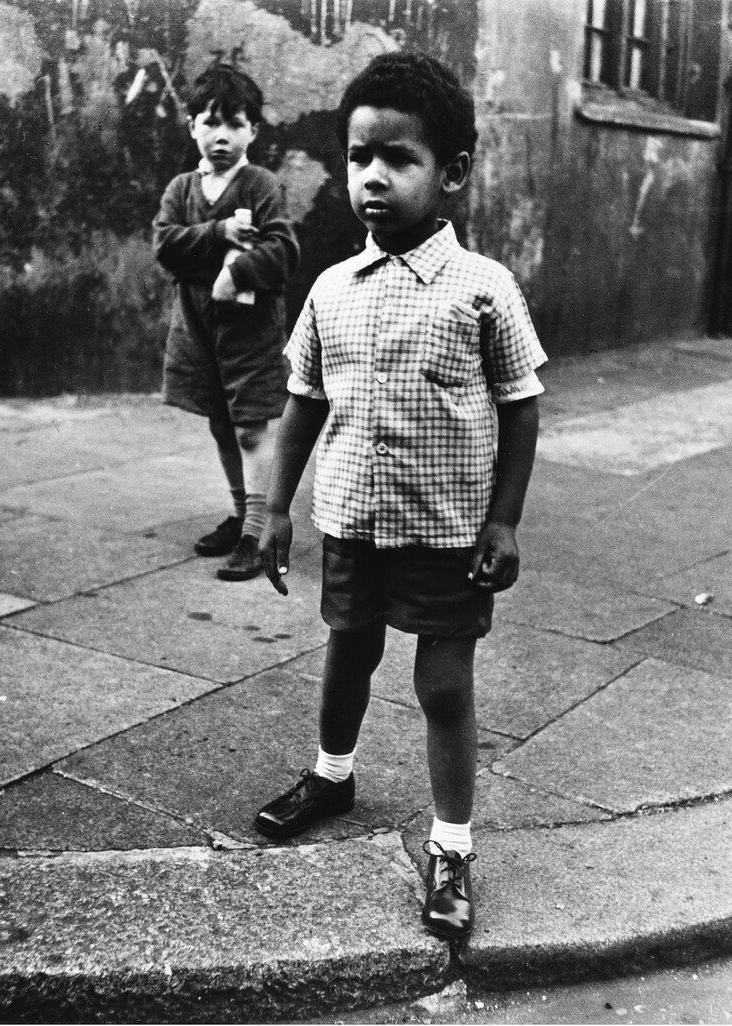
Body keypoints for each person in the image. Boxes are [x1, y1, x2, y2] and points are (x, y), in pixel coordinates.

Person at [256, 52, 547, 939]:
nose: (372, 176)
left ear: (452, 173)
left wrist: (503, 519)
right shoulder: (330, 290)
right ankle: (332, 774)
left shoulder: (483, 287)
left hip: (448, 531)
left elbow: (522, 404)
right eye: (357, 157)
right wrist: (273, 508)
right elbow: (303, 401)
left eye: (399, 158)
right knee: (348, 648)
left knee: (443, 683)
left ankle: (451, 845)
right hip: (351, 516)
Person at [153, 61, 300, 580]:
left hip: (249, 331)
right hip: (197, 330)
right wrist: (216, 236)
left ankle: (257, 533)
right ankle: (243, 514)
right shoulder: (182, 189)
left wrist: (237, 270)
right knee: (221, 423)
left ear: (253, 132)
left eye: (235, 124)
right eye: (210, 123)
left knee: (251, 429)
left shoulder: (260, 185)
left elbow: (282, 251)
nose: (222, 136)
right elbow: (166, 247)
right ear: (192, 126)